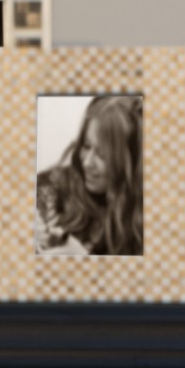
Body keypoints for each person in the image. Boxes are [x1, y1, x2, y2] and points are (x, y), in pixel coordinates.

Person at [34, 94, 143, 257]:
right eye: (86, 146)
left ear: (130, 161)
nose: (87, 162)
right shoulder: (52, 187)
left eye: (102, 155)